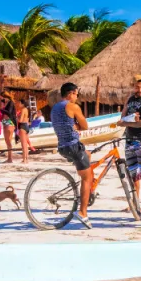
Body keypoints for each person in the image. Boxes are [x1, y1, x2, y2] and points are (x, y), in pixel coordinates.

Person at [51, 82, 92, 228]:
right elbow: (85, 126)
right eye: (76, 94)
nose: (77, 96)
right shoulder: (73, 106)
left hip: (62, 147)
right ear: (70, 93)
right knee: (88, 178)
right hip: (73, 146)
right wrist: (78, 126)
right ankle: (82, 212)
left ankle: (85, 191)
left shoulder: (55, 107)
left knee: (88, 154)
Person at [120, 75, 141, 213]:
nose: (139, 90)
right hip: (129, 139)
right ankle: (135, 202)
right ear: (133, 85)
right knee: (133, 173)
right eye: (137, 87)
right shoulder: (129, 99)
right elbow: (122, 117)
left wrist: (127, 122)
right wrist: (129, 121)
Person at [0, 92, 17, 163]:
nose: (2, 99)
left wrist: (1, 110)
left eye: (2, 97)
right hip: (6, 121)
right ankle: (9, 158)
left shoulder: (10, 103)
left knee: (8, 140)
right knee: (7, 140)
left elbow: (9, 112)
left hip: (9, 121)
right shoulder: (6, 102)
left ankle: (10, 158)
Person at [16, 98, 31, 163]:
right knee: (25, 144)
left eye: (19, 103)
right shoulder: (26, 110)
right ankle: (26, 158)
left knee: (23, 144)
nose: (18, 104)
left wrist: (17, 118)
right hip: (26, 126)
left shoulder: (23, 110)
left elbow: (21, 120)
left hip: (22, 126)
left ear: (22, 104)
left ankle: (24, 159)